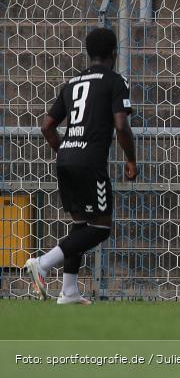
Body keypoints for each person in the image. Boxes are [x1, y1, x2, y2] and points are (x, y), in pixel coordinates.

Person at [23, 27, 138, 304]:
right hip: (90, 162)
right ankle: (43, 263)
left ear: (89, 53)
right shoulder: (115, 81)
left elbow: (47, 126)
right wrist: (131, 159)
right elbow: (121, 125)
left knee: (81, 224)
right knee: (101, 227)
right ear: (114, 53)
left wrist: (67, 151)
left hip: (66, 159)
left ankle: (70, 291)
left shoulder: (73, 82)